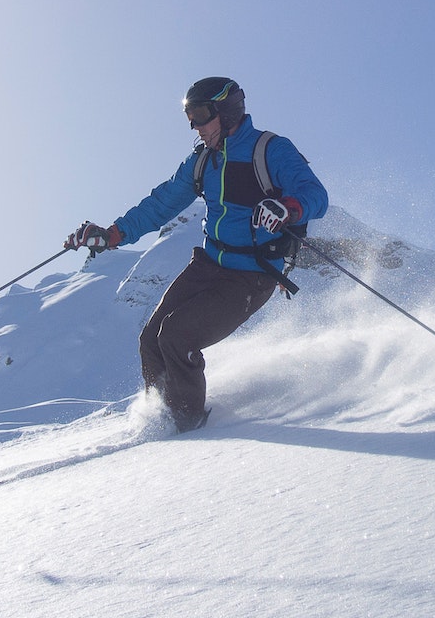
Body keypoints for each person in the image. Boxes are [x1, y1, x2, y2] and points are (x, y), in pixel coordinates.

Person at [66, 77, 328, 432]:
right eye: (189, 116)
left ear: (226, 109)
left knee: (177, 336)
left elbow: (315, 194)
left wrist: (289, 208)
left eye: (201, 114)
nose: (194, 125)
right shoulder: (202, 161)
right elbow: (162, 203)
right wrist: (112, 235)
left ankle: (186, 430)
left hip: (253, 272)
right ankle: (160, 418)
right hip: (208, 264)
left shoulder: (270, 150)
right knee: (151, 340)